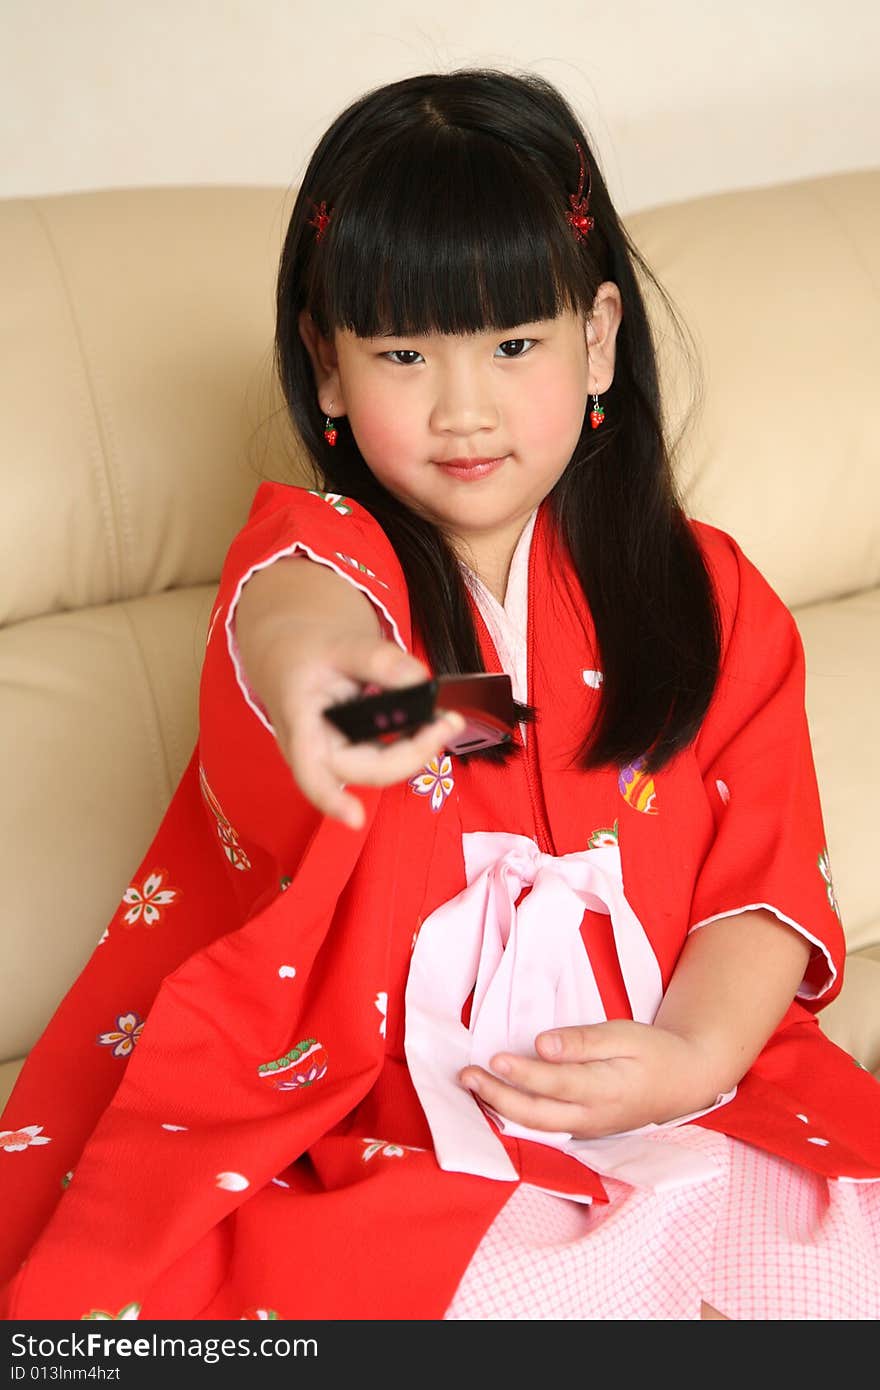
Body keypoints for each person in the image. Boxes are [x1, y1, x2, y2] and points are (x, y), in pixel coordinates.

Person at [2, 68, 879, 1324]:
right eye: (402, 352)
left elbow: (765, 881)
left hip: (682, 1080)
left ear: (599, 342)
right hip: (397, 1125)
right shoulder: (328, 564)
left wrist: (690, 1056)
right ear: (324, 367)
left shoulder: (704, 593)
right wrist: (333, 692)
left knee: (825, 1267)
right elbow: (300, 627)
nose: (461, 408)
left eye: (513, 344)